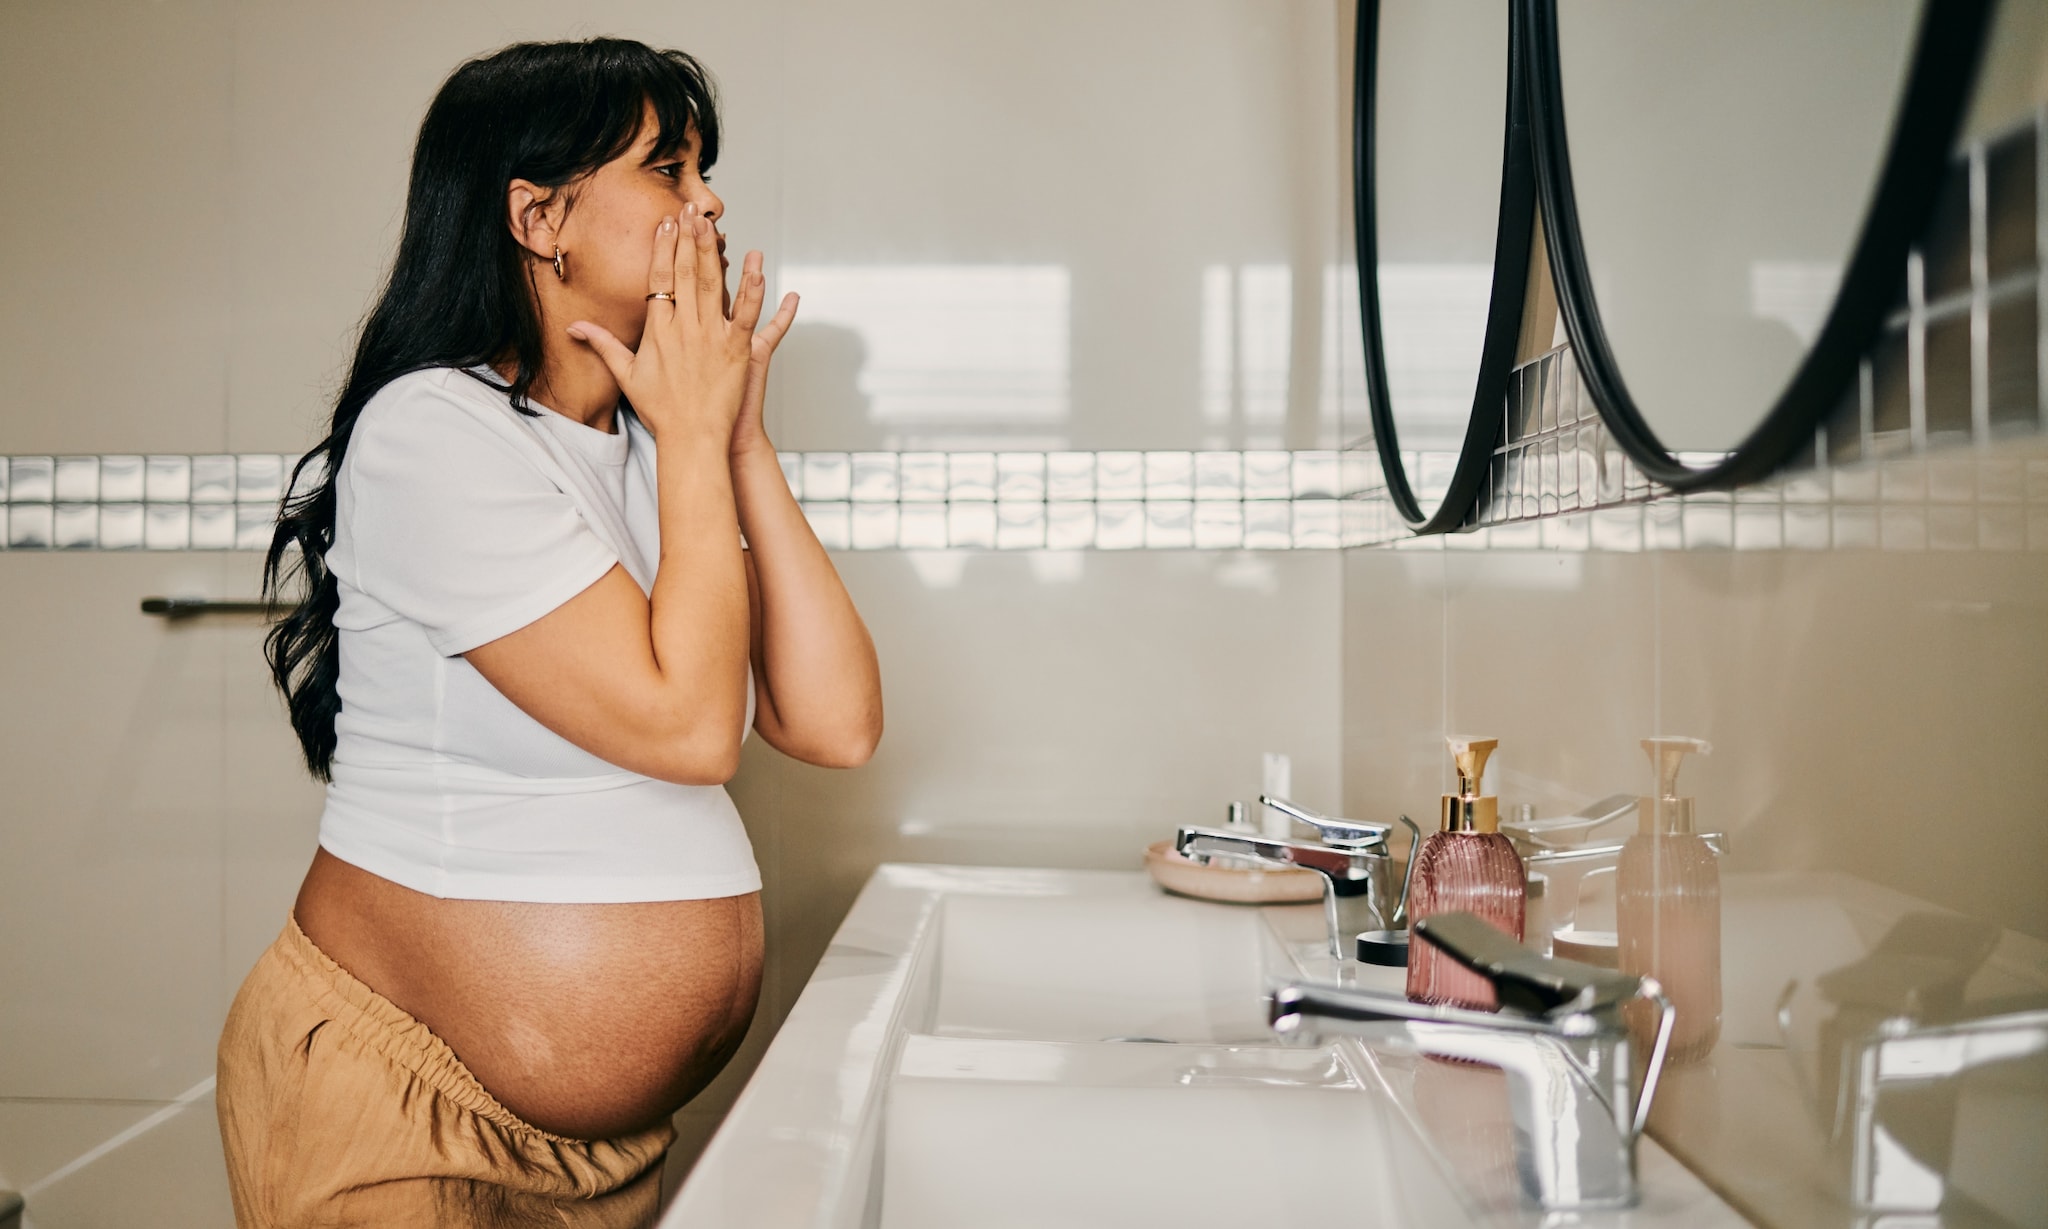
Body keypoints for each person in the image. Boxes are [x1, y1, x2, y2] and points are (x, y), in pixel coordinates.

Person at [216, 38, 882, 1227]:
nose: (708, 201)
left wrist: (732, 440)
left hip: (606, 1151)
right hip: (402, 1112)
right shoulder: (433, 429)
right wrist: (689, 441)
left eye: (702, 171)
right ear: (537, 217)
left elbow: (832, 722)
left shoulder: (645, 446)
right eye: (668, 169)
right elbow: (686, 729)